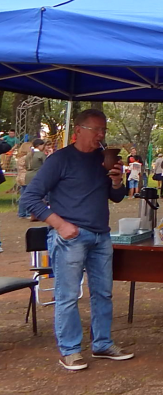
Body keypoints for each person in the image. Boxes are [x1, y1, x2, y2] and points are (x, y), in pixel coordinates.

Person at [20, 109, 132, 370]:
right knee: (68, 295)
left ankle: (102, 344)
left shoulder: (102, 161)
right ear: (78, 131)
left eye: (104, 130)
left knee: (103, 293)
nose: (102, 135)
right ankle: (70, 350)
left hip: (101, 235)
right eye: (97, 130)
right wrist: (59, 224)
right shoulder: (59, 160)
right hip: (69, 237)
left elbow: (116, 197)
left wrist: (117, 182)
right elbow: (30, 199)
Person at [22, 139, 46, 219]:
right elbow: (46, 166)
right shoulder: (41, 154)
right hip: (37, 176)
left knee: (27, 195)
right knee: (36, 196)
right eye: (43, 145)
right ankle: (34, 214)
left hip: (28, 176)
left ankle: (25, 213)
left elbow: (25, 165)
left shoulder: (29, 154)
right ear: (39, 145)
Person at [15, 142, 31, 218]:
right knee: (29, 196)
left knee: (23, 196)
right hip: (27, 177)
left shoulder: (19, 157)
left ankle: (21, 213)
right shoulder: (27, 157)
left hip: (21, 177)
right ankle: (28, 213)